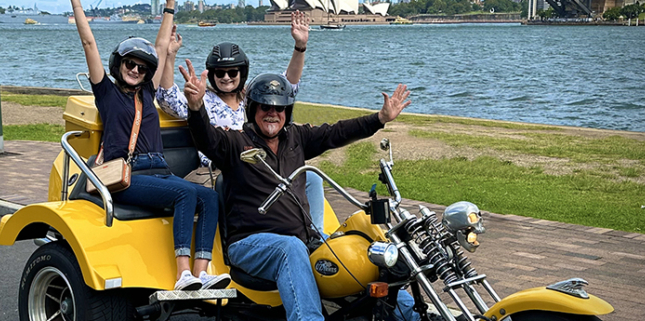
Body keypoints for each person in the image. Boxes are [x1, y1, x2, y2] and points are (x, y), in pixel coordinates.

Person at [180, 61, 415, 320]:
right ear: (252, 109)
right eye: (265, 107)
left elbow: (337, 132)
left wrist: (379, 119)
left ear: (287, 111)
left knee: (363, 252)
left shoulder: (296, 139)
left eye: (279, 108)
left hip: (304, 242)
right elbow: (206, 139)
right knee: (290, 247)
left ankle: (412, 314)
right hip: (249, 244)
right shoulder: (235, 142)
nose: (272, 113)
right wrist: (196, 107)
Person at [69, 0, 229, 291]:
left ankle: (201, 273)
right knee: (183, 193)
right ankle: (183, 275)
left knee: (208, 197)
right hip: (129, 176)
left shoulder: (146, 93)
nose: (136, 70)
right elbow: (88, 43)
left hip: (161, 171)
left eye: (142, 68)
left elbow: (159, 47)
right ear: (120, 64)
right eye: (130, 64)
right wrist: (77, 5)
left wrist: (169, 7)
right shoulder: (106, 92)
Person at [155, 11, 328, 238]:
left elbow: (288, 86)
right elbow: (167, 96)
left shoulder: (255, 101)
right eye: (219, 72)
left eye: (232, 71)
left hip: (264, 168)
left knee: (312, 177)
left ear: (242, 73)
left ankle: (316, 237)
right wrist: (169, 56)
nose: (226, 77)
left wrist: (300, 47)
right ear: (212, 74)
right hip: (223, 170)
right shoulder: (202, 100)